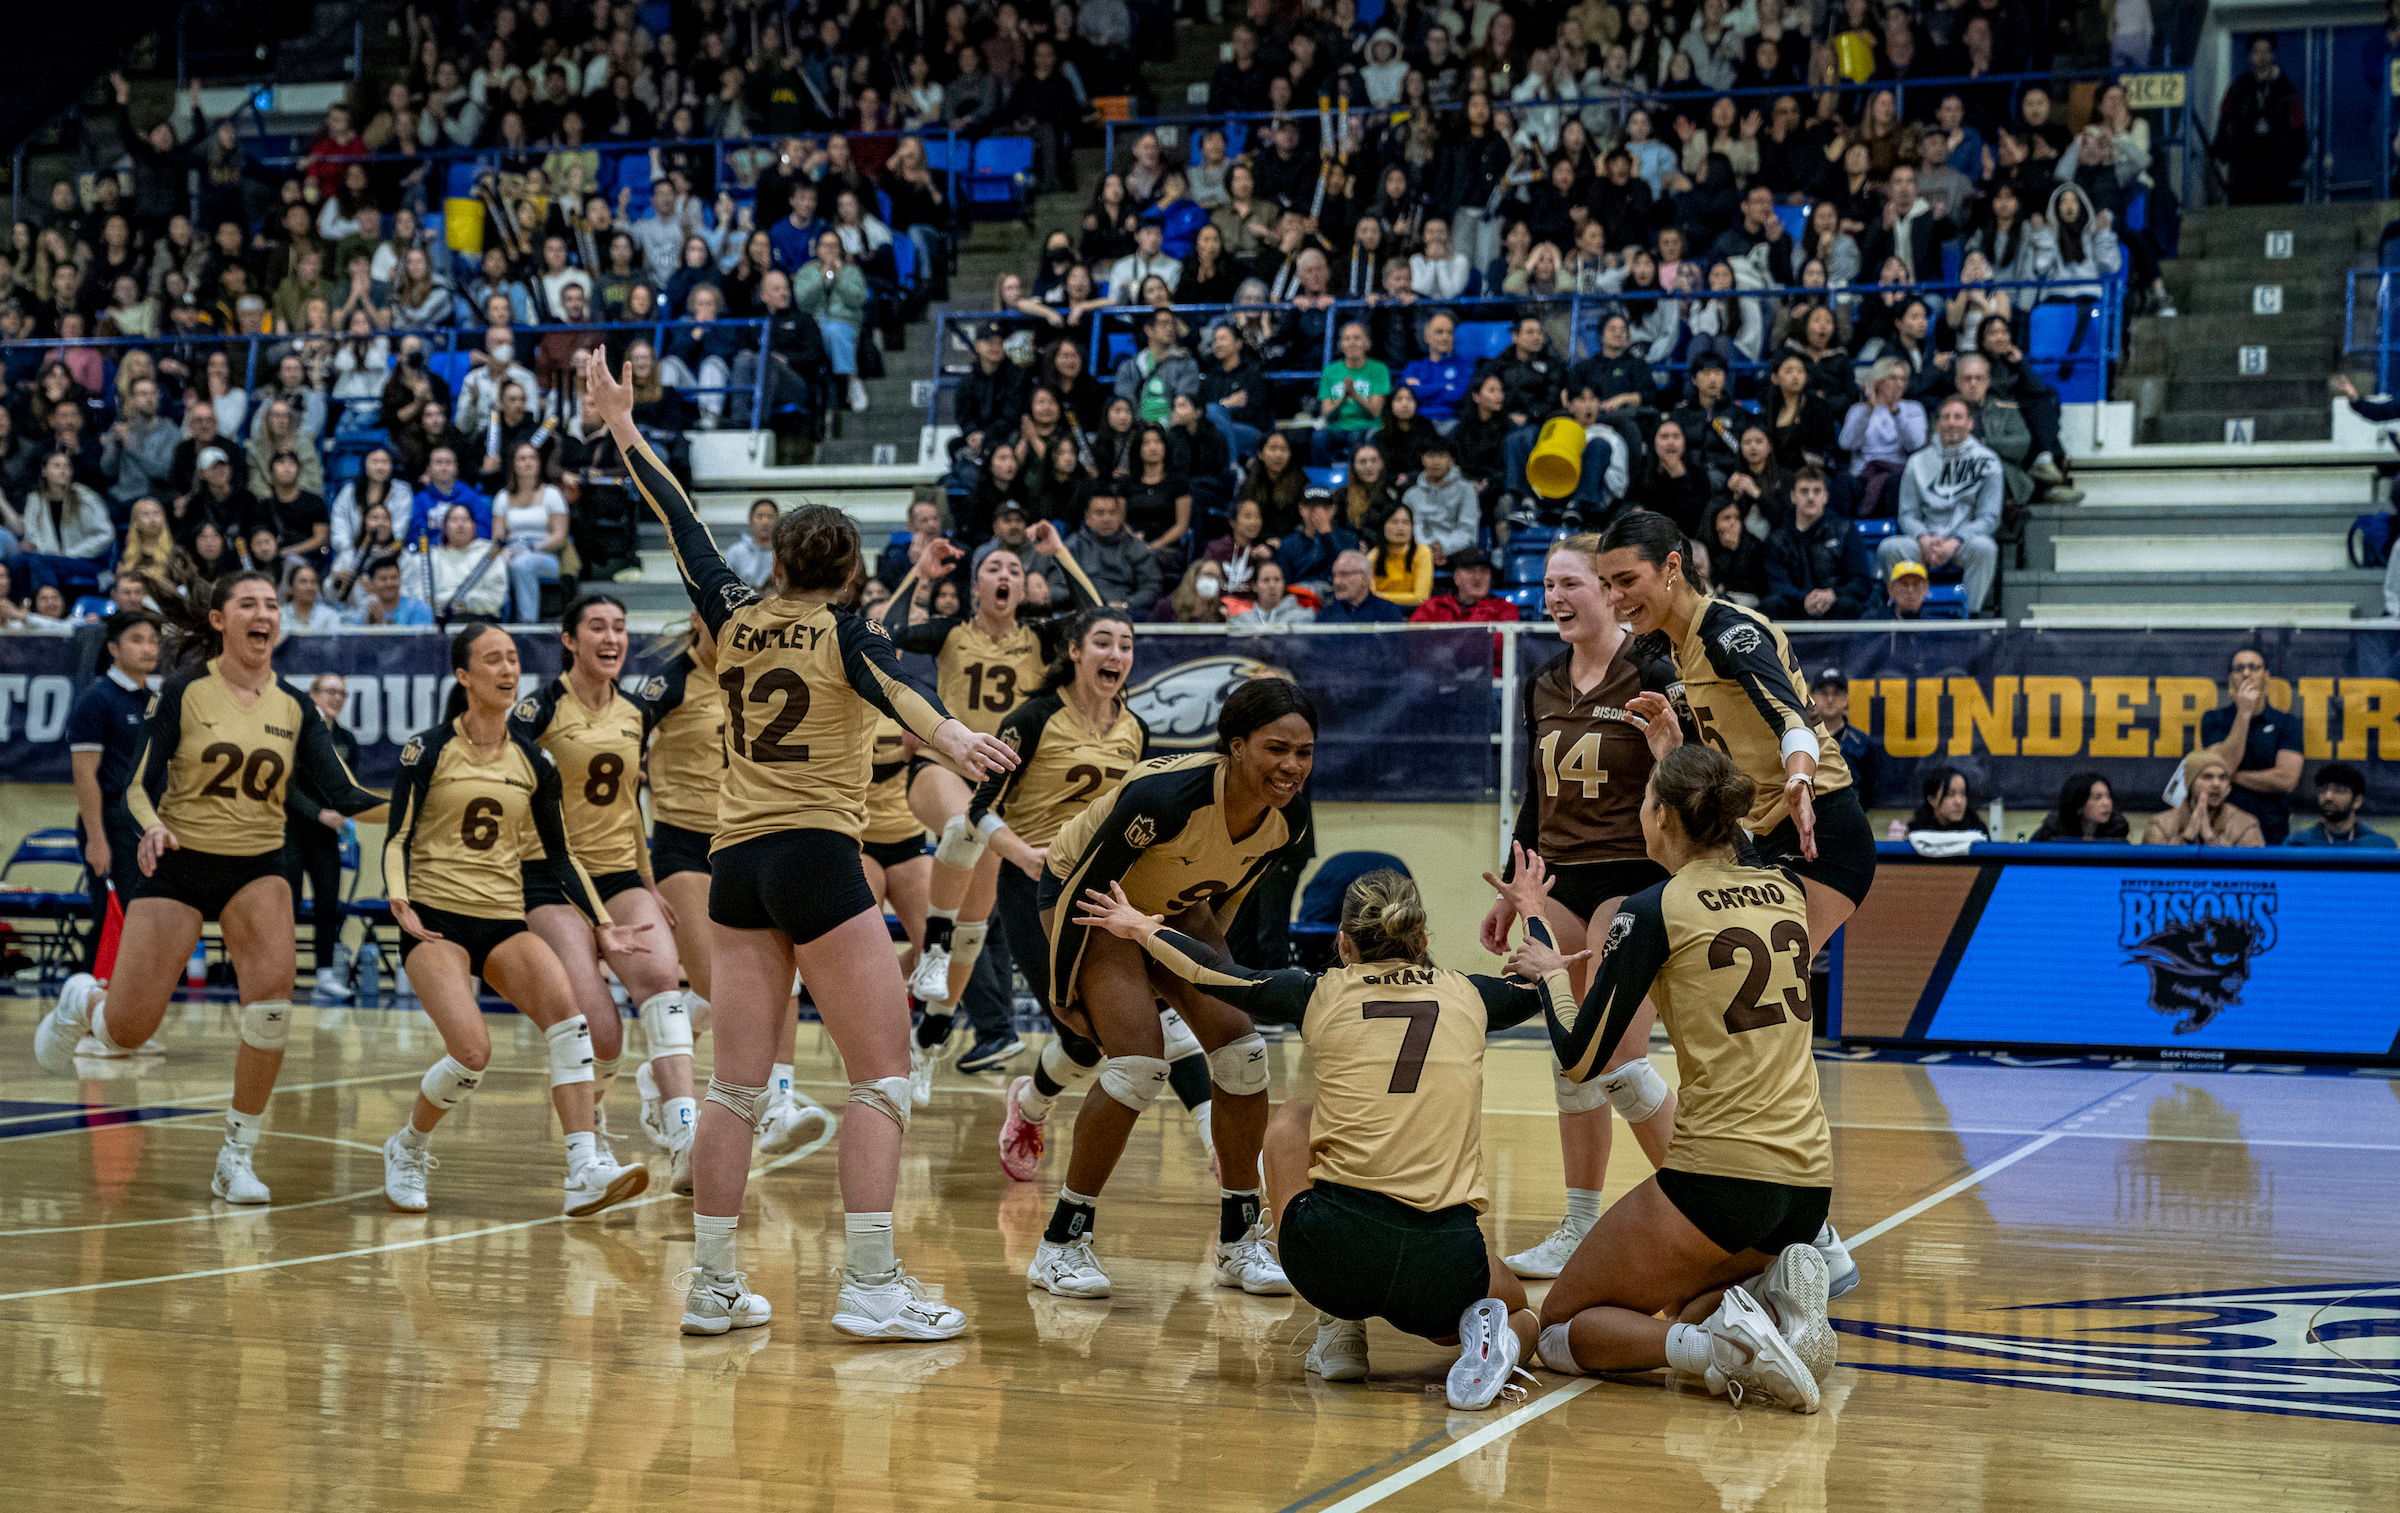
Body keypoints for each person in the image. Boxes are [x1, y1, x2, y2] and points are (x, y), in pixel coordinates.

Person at [590, 348, 1016, 1340]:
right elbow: (910, 702)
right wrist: (958, 739)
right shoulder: (846, 633)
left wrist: (621, 423)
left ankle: (712, 1287)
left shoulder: (733, 620)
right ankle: (869, 1285)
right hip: (821, 857)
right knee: (880, 1076)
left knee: (733, 1087)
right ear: (853, 574)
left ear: (778, 564)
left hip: (734, 863)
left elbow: (679, 519)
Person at [1074, 868, 1545, 1410]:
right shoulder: (1472, 995)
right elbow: (1549, 977)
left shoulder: (1317, 992)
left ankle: (1339, 1329)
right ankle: (1486, 1343)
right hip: (1443, 1264)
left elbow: (1212, 972)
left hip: (1329, 1257)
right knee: (1522, 1313)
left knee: (1292, 1118)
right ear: (1422, 942)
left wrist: (1136, 926)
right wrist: (1533, 909)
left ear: (1344, 945)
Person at [1493, 748, 1836, 1413]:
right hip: (1809, 1184)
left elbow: (1580, 1057)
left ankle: (1726, 1351)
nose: (1639, 812)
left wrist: (1546, 955)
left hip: (1720, 1177)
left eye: (1646, 799)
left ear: (1666, 816)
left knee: (1562, 1327)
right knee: (1683, 1304)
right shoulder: (1786, 890)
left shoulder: (1654, 908)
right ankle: (1778, 1307)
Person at [33, 573, 385, 1205]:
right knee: (128, 1032)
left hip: (259, 865)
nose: (265, 614)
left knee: (273, 1005)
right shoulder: (185, 691)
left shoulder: (297, 707)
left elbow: (345, 796)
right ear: (220, 620)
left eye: (272, 605)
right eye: (248, 604)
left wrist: (421, 802)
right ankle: (84, 999)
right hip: (182, 862)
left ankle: (237, 1155)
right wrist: (152, 825)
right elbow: (137, 784)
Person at [1025, 677, 1318, 1299]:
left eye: (1304, 751)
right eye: (1276, 749)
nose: (1292, 766)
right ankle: (1060, 1243)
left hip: (1181, 910)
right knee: (1137, 1062)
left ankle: (1239, 1243)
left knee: (1243, 1053)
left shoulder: (1287, 820)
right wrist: (1062, 992)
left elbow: (1229, 898)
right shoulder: (1164, 796)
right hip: (1096, 902)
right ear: (1235, 747)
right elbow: (1082, 889)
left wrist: (1201, 981)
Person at [377, 623, 653, 1214]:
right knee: (472, 1054)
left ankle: (582, 1167)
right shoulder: (427, 750)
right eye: (493, 660)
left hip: (504, 919)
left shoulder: (534, 761)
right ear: (463, 676)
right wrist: (398, 898)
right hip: (437, 920)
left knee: (570, 1022)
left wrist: (602, 921)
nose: (507, 670)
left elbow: (560, 856)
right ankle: (407, 1144)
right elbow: (397, 837)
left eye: (512, 660)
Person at [1482, 534, 1682, 1279]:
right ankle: (1576, 1223)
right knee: (1571, 1055)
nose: (1555, 597)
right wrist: (1515, 886)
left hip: (1634, 876)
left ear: (1605, 589)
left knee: (1620, 1060)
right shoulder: (1541, 681)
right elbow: (1536, 799)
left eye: (1569, 582)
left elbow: (1691, 770)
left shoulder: (1654, 667)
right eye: (1547, 585)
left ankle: (1708, 1207)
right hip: (1560, 878)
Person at [1598, 510, 1877, 972]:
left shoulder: (1730, 632)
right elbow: (1726, 754)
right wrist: (1672, 751)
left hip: (1819, 828)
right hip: (1756, 835)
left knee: (1766, 982)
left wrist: (1801, 779)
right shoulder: (1675, 647)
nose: (1616, 598)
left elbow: (1792, 718)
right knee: (1746, 989)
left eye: (1626, 580)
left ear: (1672, 567)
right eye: (1607, 585)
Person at [889, 529, 1103, 1083]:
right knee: (963, 828)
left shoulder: (1040, 635)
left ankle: (931, 1031)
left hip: (1002, 791)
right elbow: (885, 632)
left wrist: (1059, 554)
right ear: (976, 583)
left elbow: (1099, 616)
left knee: (976, 924)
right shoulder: (951, 633)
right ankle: (930, 953)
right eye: (993, 568)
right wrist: (921, 572)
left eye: (1013, 568)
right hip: (943, 768)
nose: (1005, 575)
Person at [511, 594, 705, 1193]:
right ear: (570, 641)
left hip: (621, 872)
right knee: (602, 1031)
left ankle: (686, 1138)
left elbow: (626, 805)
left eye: (619, 626)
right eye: (597, 626)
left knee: (664, 984)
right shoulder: (538, 710)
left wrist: (648, 881)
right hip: (550, 878)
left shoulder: (633, 712)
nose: (611, 637)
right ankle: (588, 1128)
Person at [976, 610, 1168, 1180]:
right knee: (1080, 1035)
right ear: (1075, 651)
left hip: (1101, 896)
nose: (1116, 654)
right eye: (1103, 642)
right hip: (1032, 888)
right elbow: (976, 809)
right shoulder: (1033, 718)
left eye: (1126, 644)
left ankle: (1029, 1107)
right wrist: (1022, 854)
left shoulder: (1135, 728)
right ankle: (1030, 1107)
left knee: (1106, 1037)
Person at [64, 611, 161, 981]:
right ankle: (88, 1011)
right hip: (109, 824)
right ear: (114, 649)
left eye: (153, 640)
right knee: (111, 918)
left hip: (144, 827)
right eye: (137, 640)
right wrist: (96, 839)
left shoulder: (153, 700)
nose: (148, 648)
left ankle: (124, 1018)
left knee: (144, 919)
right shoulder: (97, 699)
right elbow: (84, 774)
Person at [283, 673, 360, 1005]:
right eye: (330, 691)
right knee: (286, 905)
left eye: (342, 693)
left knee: (328, 904)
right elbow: (285, 787)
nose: (337, 697)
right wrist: (317, 813)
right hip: (291, 832)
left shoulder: (345, 740)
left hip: (327, 837)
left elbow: (347, 787)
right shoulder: (294, 735)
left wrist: (350, 811)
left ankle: (325, 977)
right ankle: (279, 975)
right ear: (312, 695)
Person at [2198, 646, 2303, 845]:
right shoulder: (2214, 719)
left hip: (2271, 826)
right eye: (2239, 668)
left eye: (2254, 667)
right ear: (2231, 679)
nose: (2246, 673)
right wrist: (2244, 713)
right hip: (2221, 826)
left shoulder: (2287, 723)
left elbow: (2286, 779)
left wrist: (2232, 776)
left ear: (2266, 676)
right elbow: (2223, 763)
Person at [1764, 468, 1870, 621]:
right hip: (1795, 606)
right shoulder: (1778, 538)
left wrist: (1832, 594)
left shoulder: (1845, 530)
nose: (1811, 497)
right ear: (1793, 496)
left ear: (1825, 496)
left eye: (1817, 491)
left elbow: (1860, 581)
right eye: (1804, 491)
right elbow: (1777, 584)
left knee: (1849, 606)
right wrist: (1804, 598)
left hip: (1834, 605)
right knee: (1771, 605)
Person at [2213, 35, 2306, 205]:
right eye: (2257, 51)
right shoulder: (2239, 88)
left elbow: (2298, 127)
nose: (2262, 56)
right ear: (2250, 56)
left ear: (2273, 55)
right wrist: (2222, 151)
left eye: (2266, 51)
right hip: (2244, 170)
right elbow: (2225, 120)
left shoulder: (2286, 90)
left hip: (2276, 170)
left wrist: (2292, 163)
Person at [2143, 751, 2265, 848]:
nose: (2216, 784)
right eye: (2207, 777)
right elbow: (2155, 872)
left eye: (2223, 778)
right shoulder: (2160, 825)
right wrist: (2187, 837)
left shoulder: (2246, 825)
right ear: (2190, 783)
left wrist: (2210, 838)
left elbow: (2251, 875)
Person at [1064, 492, 1161, 609]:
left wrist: (1128, 604)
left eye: (1112, 513)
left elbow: (1151, 587)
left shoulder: (1137, 547)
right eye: (1099, 513)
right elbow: (1062, 586)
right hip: (1084, 609)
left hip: (1128, 610)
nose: (1107, 518)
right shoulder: (1071, 547)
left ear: (1120, 517)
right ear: (1087, 518)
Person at [1808, 671, 1882, 810]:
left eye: (1836, 693)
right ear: (1812, 697)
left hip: (1848, 819)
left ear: (1846, 698)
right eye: (1824, 693)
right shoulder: (1800, 738)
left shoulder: (1862, 743)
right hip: (1806, 820)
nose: (1830, 699)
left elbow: (1870, 788)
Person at [2286, 763, 2396, 849]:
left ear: (2356, 801)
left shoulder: (2380, 845)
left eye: (2339, 791)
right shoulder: (2298, 843)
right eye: (2323, 790)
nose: (2328, 796)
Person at [1412, 549, 1519, 624]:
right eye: (1470, 571)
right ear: (1456, 577)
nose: (1477, 577)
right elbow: (1414, 640)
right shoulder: (1432, 607)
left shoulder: (1504, 609)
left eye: (1484, 571)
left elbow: (1500, 646)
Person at [2030, 772, 2133, 843]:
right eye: (2097, 798)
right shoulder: (2050, 835)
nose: (2106, 803)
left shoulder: (2117, 835)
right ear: (2078, 805)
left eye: (2108, 796)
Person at [1316, 550, 1410, 624]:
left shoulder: (1387, 611)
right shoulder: (1327, 612)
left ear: (1365, 578)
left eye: (1344, 574)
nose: (1336, 582)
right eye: (1334, 576)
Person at [1895, 766, 1989, 838]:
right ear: (1932, 800)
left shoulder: (1977, 831)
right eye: (1950, 794)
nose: (1958, 802)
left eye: (1963, 794)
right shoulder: (1916, 832)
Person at [1229, 561, 1311, 628]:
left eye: (1277, 580)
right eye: (1266, 580)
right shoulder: (1240, 618)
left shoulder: (1301, 616)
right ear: (1254, 586)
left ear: (1283, 584)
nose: (1272, 585)